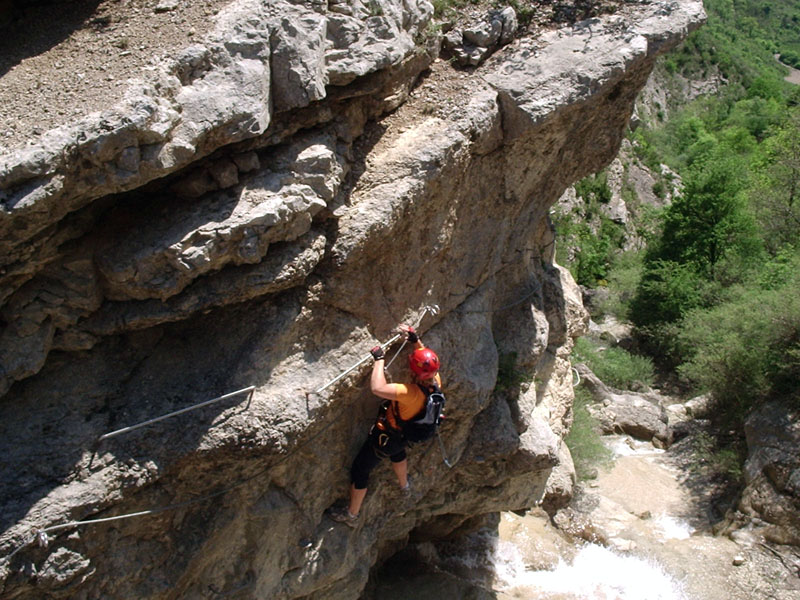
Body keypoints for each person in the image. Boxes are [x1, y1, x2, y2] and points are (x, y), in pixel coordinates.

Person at [329, 324, 442, 527]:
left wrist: (379, 360)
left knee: (360, 470)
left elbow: (378, 388)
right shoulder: (436, 383)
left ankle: (352, 515)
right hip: (403, 436)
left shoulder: (410, 393)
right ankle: (404, 485)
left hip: (386, 438)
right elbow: (424, 361)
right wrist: (415, 340)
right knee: (398, 453)